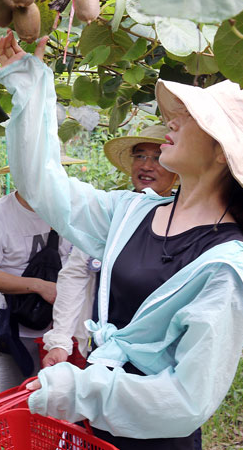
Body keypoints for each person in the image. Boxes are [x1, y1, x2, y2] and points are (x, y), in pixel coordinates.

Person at [0, 32, 243, 450]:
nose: (172, 122)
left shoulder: (225, 268)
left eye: (190, 118)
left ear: (223, 152)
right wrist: (30, 87)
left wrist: (84, 391)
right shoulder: (132, 213)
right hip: (97, 430)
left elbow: (187, 400)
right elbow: (42, 186)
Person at [42, 125, 178, 370]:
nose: (147, 165)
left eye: (158, 158)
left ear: (178, 169)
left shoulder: (186, 219)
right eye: (140, 156)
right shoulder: (111, 213)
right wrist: (61, 340)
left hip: (159, 356)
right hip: (104, 349)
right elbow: (76, 274)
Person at [0, 186, 73, 394]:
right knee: (14, 400)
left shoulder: (72, 208)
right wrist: (39, 286)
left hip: (64, 329)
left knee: (61, 404)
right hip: (17, 329)